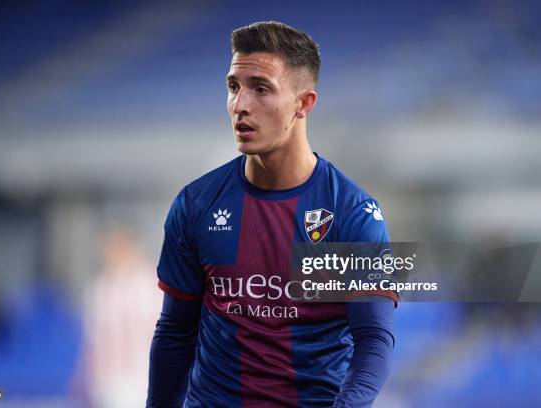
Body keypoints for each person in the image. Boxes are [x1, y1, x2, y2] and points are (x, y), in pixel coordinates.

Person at [147, 21, 396, 408]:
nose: (240, 105)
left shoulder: (351, 214)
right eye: (234, 87)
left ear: (304, 103)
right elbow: (175, 333)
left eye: (261, 89)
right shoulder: (196, 204)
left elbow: (374, 339)